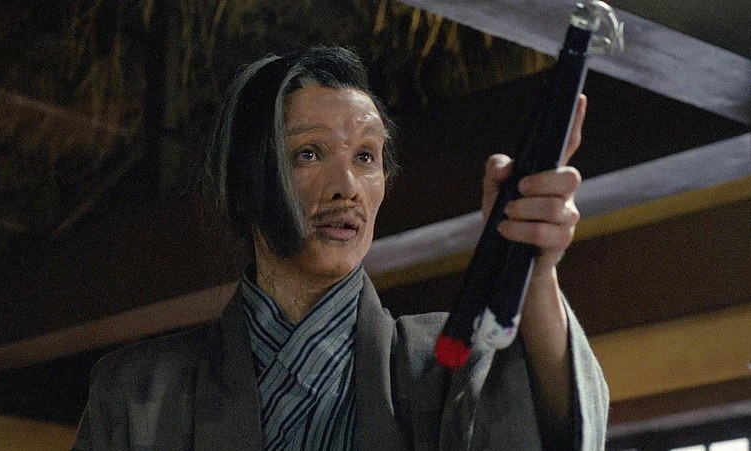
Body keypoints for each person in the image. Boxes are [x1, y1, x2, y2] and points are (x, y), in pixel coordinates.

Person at [72, 46, 608, 450]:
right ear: (245, 180)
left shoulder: (443, 365)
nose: (347, 187)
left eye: (366, 156)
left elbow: (557, 428)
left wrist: (534, 267)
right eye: (309, 153)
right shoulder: (140, 392)